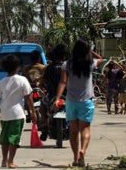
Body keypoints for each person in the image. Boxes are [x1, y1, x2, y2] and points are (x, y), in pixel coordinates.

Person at [51, 40, 104, 168]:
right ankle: (83, 152)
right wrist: (90, 51)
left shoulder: (67, 64)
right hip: (86, 101)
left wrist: (57, 98)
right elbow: (101, 59)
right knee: (85, 130)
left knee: (73, 131)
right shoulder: (90, 63)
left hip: (71, 102)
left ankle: (75, 158)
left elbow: (63, 82)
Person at [0, 54, 36, 169]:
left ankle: (4, 160)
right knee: (14, 139)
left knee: (4, 139)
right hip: (18, 115)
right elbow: (29, 97)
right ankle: (11, 161)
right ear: (17, 67)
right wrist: (33, 112)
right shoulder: (23, 80)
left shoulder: (2, 82)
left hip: (4, 115)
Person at [39, 43, 67, 141]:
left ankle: (44, 126)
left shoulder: (49, 68)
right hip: (67, 97)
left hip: (51, 97)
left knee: (42, 106)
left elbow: (41, 83)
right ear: (63, 56)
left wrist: (42, 88)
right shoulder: (67, 67)